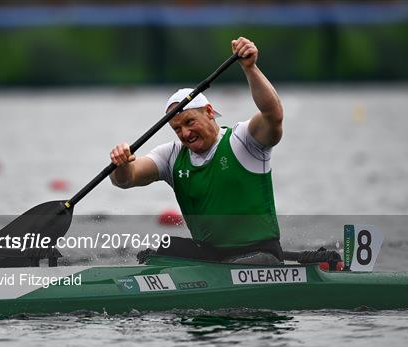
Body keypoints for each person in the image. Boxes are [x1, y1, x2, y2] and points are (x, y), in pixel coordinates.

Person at [109, 37, 284, 264]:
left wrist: (250, 68)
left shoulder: (244, 141)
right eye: (177, 128)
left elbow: (273, 114)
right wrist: (121, 163)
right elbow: (126, 179)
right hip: (213, 259)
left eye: (190, 122)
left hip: (260, 255)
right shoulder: (171, 155)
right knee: (165, 248)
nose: (185, 133)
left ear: (209, 112)